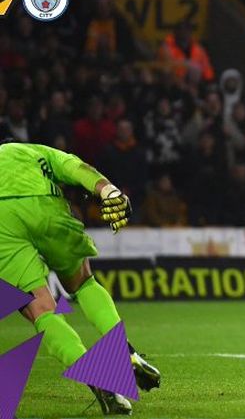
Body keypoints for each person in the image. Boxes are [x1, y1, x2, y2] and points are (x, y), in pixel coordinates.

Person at [0, 139, 161, 414]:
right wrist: (107, 190)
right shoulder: (30, 151)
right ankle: (123, 351)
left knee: (41, 312)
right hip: (42, 205)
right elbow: (74, 166)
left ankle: (95, 378)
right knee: (83, 282)